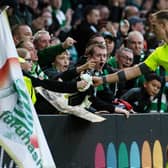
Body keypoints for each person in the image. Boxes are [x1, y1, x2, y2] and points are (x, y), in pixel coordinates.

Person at [93, 10, 168, 88]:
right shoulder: (158, 53)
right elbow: (133, 71)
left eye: (154, 26)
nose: (152, 30)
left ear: (163, 25)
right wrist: (102, 79)